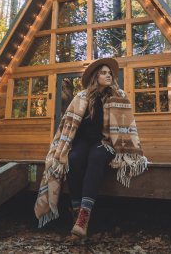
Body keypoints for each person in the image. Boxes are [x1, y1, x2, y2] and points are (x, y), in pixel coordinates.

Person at [34, 58, 148, 239]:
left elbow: (126, 125)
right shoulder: (80, 97)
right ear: (96, 76)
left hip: (105, 142)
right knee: (74, 158)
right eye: (104, 72)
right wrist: (64, 146)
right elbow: (67, 124)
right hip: (81, 142)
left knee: (96, 158)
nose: (108, 75)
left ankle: (84, 218)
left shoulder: (119, 96)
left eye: (110, 73)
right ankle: (76, 210)